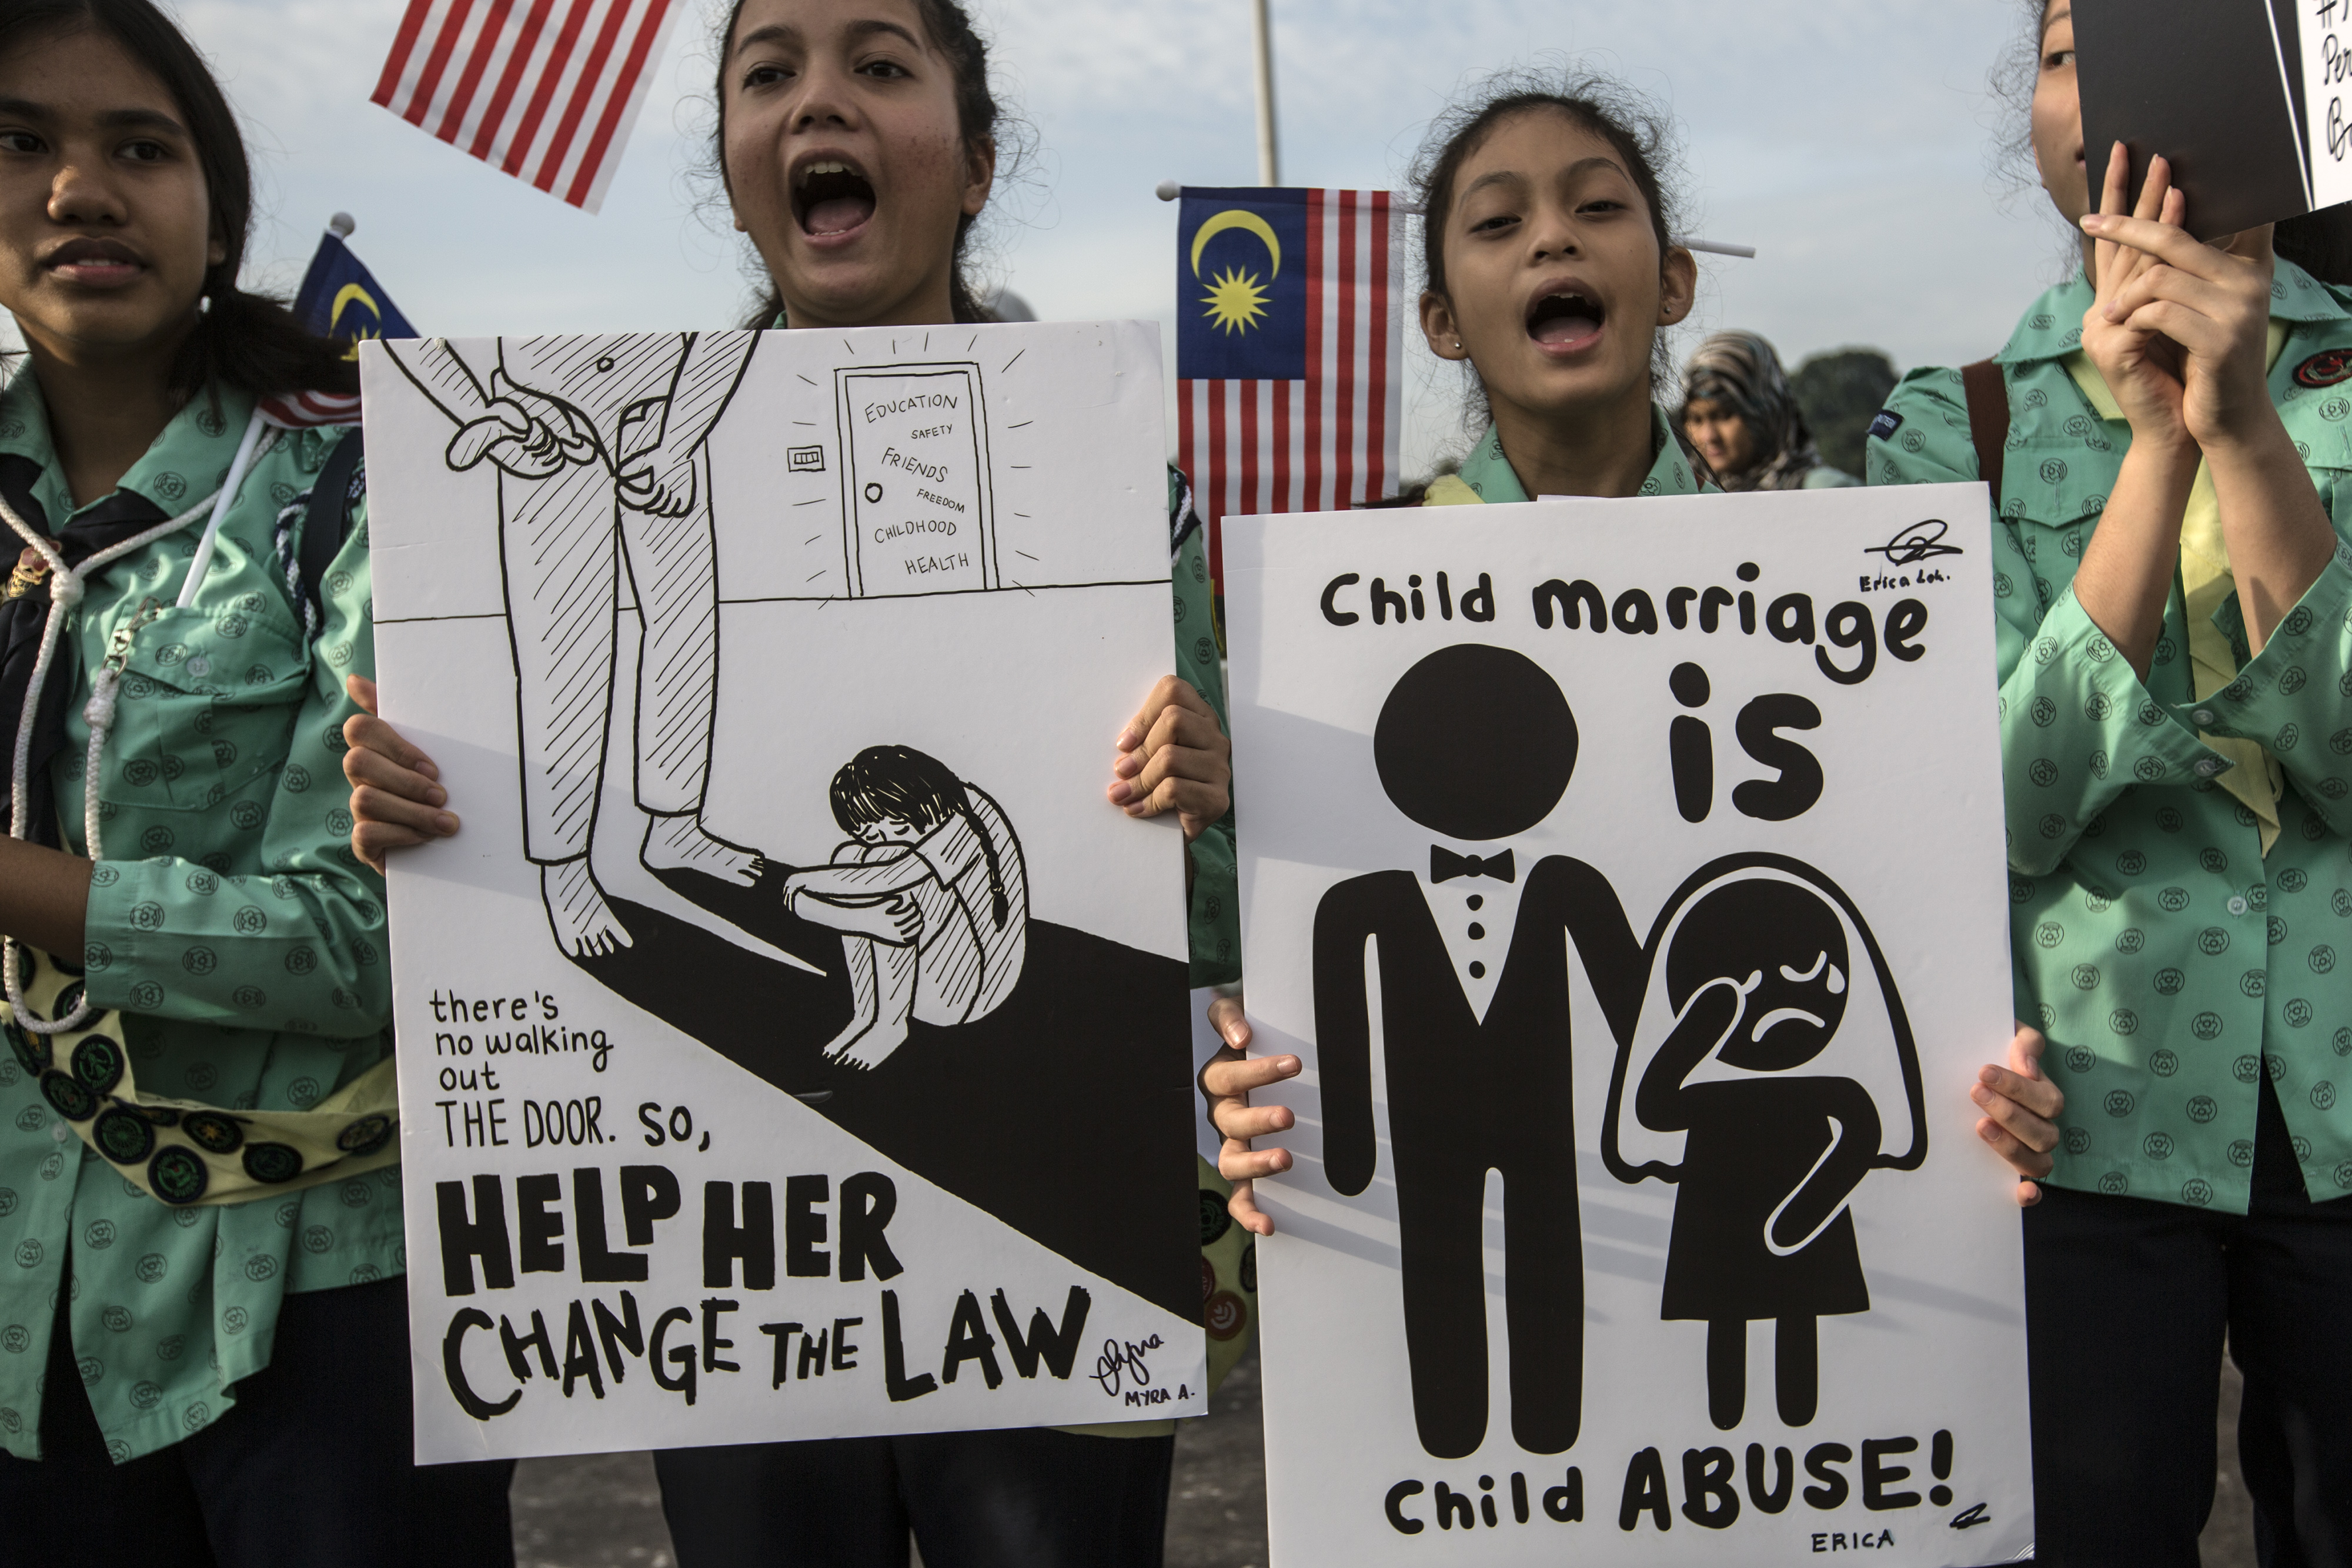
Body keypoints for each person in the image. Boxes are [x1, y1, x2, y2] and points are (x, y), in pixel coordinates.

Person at [342, 1, 1242, 1563]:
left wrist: (1213, 806)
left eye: (880, 64)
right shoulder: (636, 451)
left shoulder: (1119, 485)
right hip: (735, 1298)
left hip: (1045, 1250)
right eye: (771, 73)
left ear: (973, 161)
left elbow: (1223, 907)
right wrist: (431, 813)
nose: (820, 98)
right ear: (734, 161)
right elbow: (528, 721)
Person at [1203, 71, 2059, 1239]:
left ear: (1671, 282)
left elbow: (1899, 905)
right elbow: (1304, 959)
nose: (1551, 234)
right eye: (1497, 222)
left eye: (1594, 207)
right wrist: (1262, 1094)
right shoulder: (1338, 625)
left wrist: (1975, 1067)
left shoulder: (1827, 583)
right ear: (1440, 320)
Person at [0, 1, 515, 1562]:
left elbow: (368, 943)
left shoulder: (362, 478)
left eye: (139, 149)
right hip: (24, 1320)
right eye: (23, 144)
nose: (82, 190)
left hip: (327, 1302)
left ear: (218, 215)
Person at [1865, 1, 2352, 1557]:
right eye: (2075, 43)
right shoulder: (1953, 423)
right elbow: (1987, 810)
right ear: (2037, 114)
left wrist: (2250, 429)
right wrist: (2156, 444)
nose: (2122, 82)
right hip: (2075, 1104)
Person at [782, 743, 1026, 1069]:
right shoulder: (935, 809)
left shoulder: (962, 820)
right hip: (927, 973)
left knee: (883, 864)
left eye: (895, 826)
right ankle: (867, 1014)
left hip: (972, 988)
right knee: (849, 856)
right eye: (869, 833)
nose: (885, 838)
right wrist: (867, 920)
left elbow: (889, 877)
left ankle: (890, 1025)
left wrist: (802, 887)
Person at [1678, 329, 1859, 490]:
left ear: (1765, 413)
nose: (1709, 437)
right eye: (1696, 419)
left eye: (1724, 416)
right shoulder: (1684, 492)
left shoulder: (1827, 491)